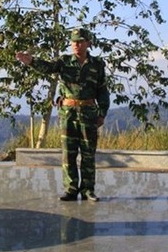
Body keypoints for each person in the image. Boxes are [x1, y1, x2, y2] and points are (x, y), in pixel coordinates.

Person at [16, 27, 110, 202]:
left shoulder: (97, 64)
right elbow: (49, 67)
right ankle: (71, 189)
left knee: (88, 154)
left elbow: (102, 91)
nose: (76, 44)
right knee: (69, 154)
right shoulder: (65, 61)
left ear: (88, 43)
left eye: (80, 41)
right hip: (68, 114)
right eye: (74, 41)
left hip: (89, 113)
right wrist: (31, 61)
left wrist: (102, 113)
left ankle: (88, 190)